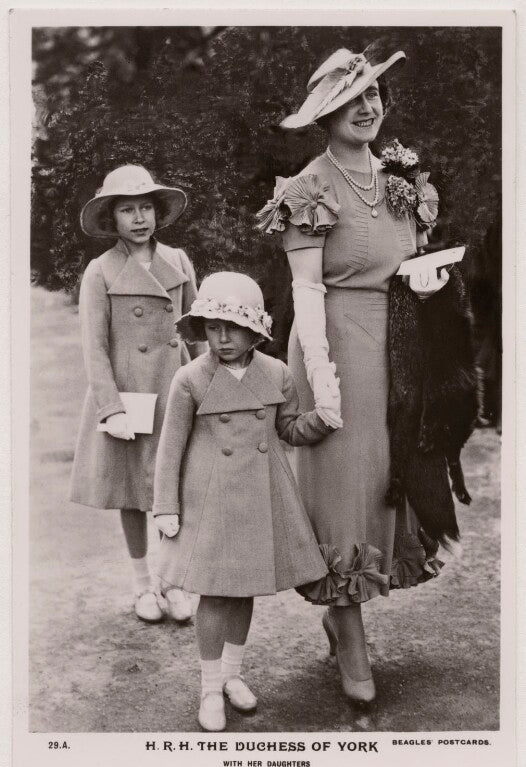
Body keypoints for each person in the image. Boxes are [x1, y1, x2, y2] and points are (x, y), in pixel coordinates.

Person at [257, 47, 475, 704]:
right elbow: (309, 296)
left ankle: (343, 617)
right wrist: (322, 385)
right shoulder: (308, 189)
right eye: (352, 101)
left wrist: (431, 286)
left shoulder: (401, 179)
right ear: (325, 115)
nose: (367, 107)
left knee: (391, 477)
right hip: (336, 345)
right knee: (346, 489)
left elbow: (406, 265)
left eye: (374, 96)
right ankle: (349, 635)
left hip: (399, 345)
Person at [153, 272, 333, 731]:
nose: (223, 337)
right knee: (215, 594)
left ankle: (232, 675)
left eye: (233, 327)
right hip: (210, 500)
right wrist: (166, 507)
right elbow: (170, 449)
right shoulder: (190, 378)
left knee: (244, 588)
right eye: (213, 326)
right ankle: (210, 687)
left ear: (256, 330)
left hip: (261, 493)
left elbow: (288, 430)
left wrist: (322, 420)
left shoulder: (277, 373)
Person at [70, 164, 203, 623]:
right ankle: (143, 584)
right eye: (128, 209)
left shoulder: (180, 261)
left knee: (174, 488)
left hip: (174, 391)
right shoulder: (100, 271)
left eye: (146, 206)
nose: (139, 217)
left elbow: (196, 331)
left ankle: (173, 582)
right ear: (112, 218)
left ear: (158, 212)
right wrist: (111, 408)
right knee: (132, 493)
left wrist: (208, 383)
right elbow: (95, 346)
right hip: (131, 398)